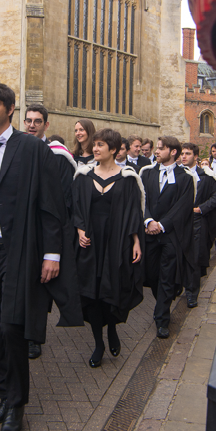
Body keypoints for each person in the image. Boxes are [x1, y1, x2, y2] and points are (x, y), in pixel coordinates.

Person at [0, 82, 82, 431]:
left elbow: (52, 205)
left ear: (11, 109)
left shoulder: (32, 149)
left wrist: (52, 253)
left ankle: (17, 404)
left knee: (12, 327)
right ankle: (4, 395)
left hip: (21, 249)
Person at [73, 129, 144, 368]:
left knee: (111, 289)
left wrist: (136, 241)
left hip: (116, 242)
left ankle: (112, 328)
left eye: (101, 145)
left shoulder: (127, 178)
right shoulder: (83, 176)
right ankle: (98, 343)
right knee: (91, 293)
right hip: (91, 243)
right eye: (94, 145)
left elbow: (134, 211)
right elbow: (76, 208)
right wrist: (80, 230)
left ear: (113, 149)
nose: (95, 148)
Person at [23, 104, 77, 360]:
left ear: (46, 125)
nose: (31, 125)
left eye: (37, 121)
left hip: (47, 228)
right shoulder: (19, 150)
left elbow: (64, 197)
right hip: (21, 227)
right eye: (28, 121)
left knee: (40, 284)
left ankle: (34, 337)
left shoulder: (58, 155)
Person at [140, 136, 194, 339]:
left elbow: (182, 207)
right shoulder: (147, 174)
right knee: (152, 276)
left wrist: (162, 225)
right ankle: (165, 298)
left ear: (173, 152)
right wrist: (148, 221)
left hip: (171, 236)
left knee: (167, 276)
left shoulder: (185, 178)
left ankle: (162, 318)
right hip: (149, 234)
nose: (156, 151)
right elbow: (141, 198)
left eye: (161, 148)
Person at [180, 143, 216, 308]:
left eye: (188, 153)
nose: (184, 156)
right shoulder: (176, 174)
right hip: (180, 222)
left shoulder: (206, 175)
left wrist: (201, 208)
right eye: (182, 153)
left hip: (198, 222)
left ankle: (192, 292)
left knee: (195, 257)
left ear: (196, 156)